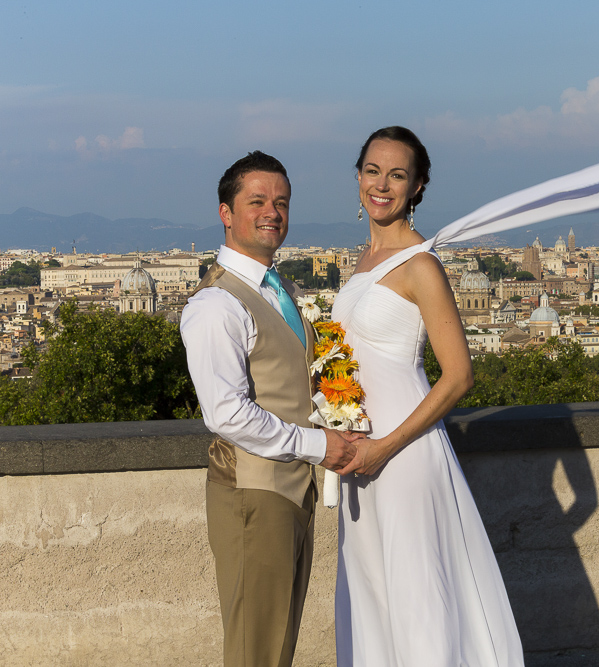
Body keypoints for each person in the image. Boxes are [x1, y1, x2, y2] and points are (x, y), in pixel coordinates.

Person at [331, 127, 524, 665]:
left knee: (416, 592)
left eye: (397, 175)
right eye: (373, 171)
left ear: (417, 188)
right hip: (358, 449)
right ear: (358, 178)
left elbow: (459, 375)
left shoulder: (422, 265)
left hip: (403, 449)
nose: (382, 185)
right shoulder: (361, 264)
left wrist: (386, 445)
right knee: (372, 588)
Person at [181, 151, 362, 667]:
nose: (271, 212)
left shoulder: (279, 288)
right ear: (226, 212)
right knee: (256, 650)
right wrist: (318, 443)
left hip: (285, 492)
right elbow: (226, 415)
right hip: (253, 495)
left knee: (274, 643)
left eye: (280, 202)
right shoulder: (216, 305)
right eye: (256, 201)